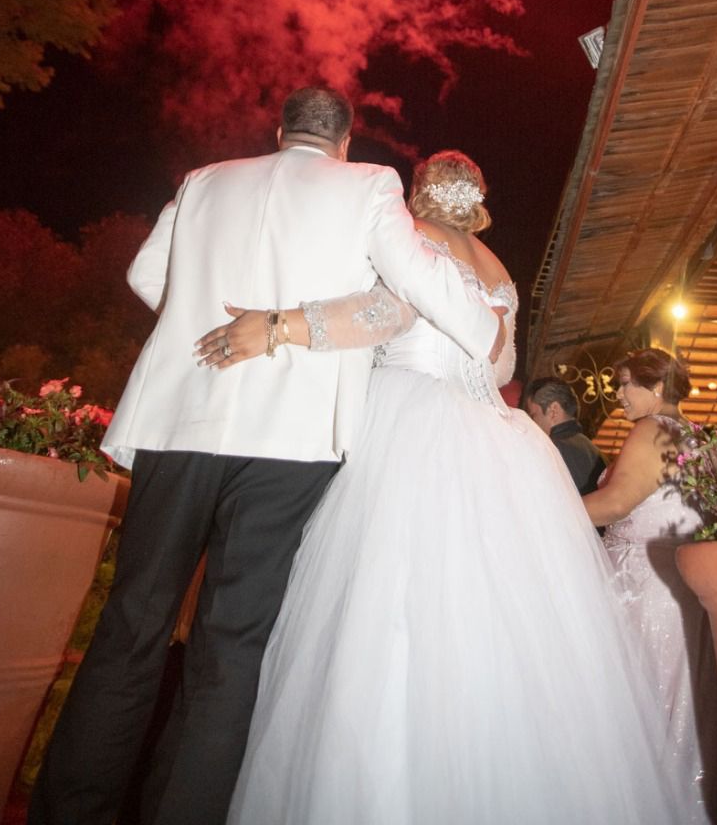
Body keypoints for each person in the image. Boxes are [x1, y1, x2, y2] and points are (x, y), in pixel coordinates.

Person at [29, 90, 501, 825]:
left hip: (181, 422)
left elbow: (146, 276)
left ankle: (69, 811)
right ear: (345, 142)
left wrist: (200, 324)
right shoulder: (370, 185)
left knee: (131, 624)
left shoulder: (204, 180)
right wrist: (485, 331)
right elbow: (418, 283)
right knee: (232, 641)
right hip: (291, 438)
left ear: (280, 132)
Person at [196, 152, 689, 825]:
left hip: (411, 418)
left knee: (386, 603)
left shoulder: (412, 239)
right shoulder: (499, 270)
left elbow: (384, 313)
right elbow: (502, 365)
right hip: (494, 435)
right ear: (478, 199)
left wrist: (281, 326)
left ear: (418, 192)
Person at [583, 348, 717, 825]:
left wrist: (543, 506)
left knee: (638, 701)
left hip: (642, 588)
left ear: (656, 387)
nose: (618, 394)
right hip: (679, 589)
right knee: (675, 704)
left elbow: (615, 503)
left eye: (626, 383)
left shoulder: (651, 429)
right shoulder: (700, 437)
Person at [524, 376, 606, 494]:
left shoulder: (550, 449)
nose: (531, 424)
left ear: (553, 410)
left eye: (533, 416)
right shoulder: (593, 450)